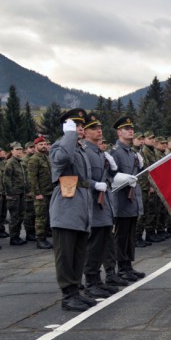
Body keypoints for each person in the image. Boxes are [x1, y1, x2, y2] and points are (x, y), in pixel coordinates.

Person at [49, 109, 94, 311]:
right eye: (76, 126)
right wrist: (68, 135)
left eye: (82, 126)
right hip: (66, 208)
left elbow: (85, 179)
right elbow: (62, 159)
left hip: (82, 206)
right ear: (66, 128)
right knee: (65, 253)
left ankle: (75, 290)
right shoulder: (60, 146)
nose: (81, 129)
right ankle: (68, 295)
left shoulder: (80, 149)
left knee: (78, 252)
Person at [80, 114, 120, 298]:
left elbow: (108, 177)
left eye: (100, 127)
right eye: (94, 128)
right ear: (85, 132)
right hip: (93, 204)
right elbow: (81, 177)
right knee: (94, 245)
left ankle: (97, 280)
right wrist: (94, 184)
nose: (99, 130)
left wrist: (112, 169)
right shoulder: (85, 152)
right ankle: (90, 281)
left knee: (103, 243)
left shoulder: (98, 152)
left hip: (104, 205)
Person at [110, 116, 145, 282]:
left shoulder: (132, 153)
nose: (131, 131)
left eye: (131, 128)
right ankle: (121, 267)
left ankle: (128, 265)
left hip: (132, 200)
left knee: (130, 235)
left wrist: (140, 164)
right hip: (121, 200)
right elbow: (111, 176)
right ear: (119, 132)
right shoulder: (115, 153)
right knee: (122, 235)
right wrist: (122, 178)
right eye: (126, 128)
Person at [27, 136, 54, 249]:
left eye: (45, 144)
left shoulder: (46, 158)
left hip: (49, 191)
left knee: (47, 216)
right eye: (41, 144)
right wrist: (37, 193)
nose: (44, 146)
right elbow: (32, 178)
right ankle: (40, 239)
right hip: (41, 193)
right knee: (40, 217)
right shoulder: (34, 159)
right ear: (36, 146)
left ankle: (46, 235)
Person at [3, 142, 28, 245]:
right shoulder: (10, 163)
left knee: (21, 215)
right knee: (14, 216)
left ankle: (17, 236)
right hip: (14, 194)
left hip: (21, 192)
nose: (19, 152)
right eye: (16, 150)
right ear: (12, 151)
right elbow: (6, 179)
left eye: (20, 150)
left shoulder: (20, 162)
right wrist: (10, 193)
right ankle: (13, 238)